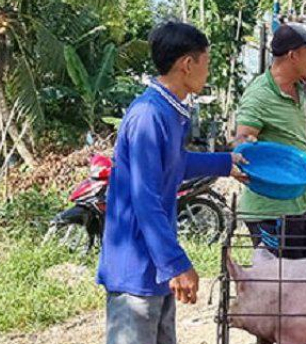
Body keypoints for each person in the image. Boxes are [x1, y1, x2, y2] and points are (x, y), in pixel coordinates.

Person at [97, 21, 245, 344]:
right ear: (187, 64)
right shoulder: (149, 115)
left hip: (154, 266)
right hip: (135, 268)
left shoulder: (169, 111)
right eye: (206, 62)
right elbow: (145, 198)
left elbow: (175, 164)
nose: (208, 71)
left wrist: (226, 163)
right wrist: (176, 263)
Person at [234, 22, 306, 260]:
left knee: (303, 284)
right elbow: (242, 140)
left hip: (300, 206)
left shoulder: (299, 91)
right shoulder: (260, 94)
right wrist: (246, 145)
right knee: (278, 288)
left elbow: (297, 142)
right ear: (293, 55)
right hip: (271, 212)